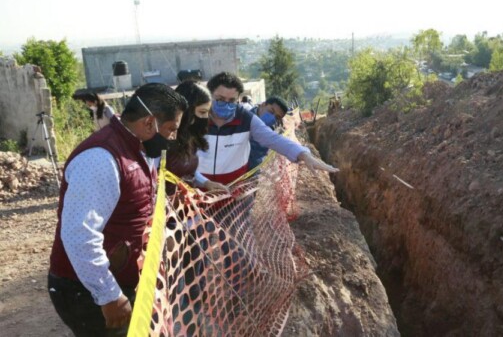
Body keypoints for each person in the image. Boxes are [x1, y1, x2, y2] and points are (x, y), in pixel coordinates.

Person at [47, 83, 187, 336]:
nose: (173, 137)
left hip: (117, 278)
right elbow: (80, 235)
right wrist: (109, 296)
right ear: (149, 123)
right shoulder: (101, 158)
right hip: (86, 289)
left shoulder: (137, 149)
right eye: (171, 129)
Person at [199, 71, 338, 185]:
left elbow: (274, 140)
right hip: (198, 194)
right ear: (209, 95)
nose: (226, 104)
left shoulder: (245, 119)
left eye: (231, 101)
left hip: (235, 192)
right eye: (220, 99)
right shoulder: (195, 119)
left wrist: (304, 155)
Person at [167, 80, 227, 193]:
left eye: (208, 113)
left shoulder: (191, 137)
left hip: (186, 206)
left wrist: (206, 183)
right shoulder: (164, 139)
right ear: (186, 111)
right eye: (202, 112)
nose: (206, 118)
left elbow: (188, 172)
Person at [248, 96, 288, 170]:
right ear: (263, 105)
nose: (273, 117)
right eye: (271, 111)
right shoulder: (243, 120)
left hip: (251, 172)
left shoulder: (269, 130)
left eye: (277, 117)